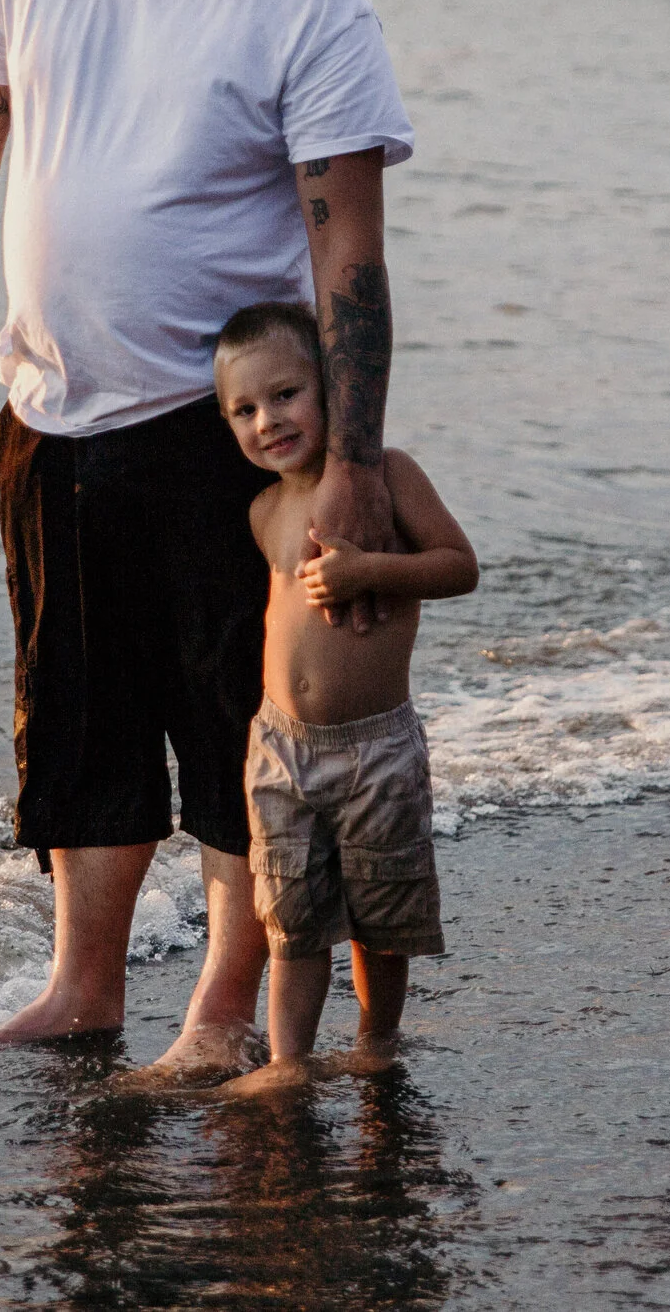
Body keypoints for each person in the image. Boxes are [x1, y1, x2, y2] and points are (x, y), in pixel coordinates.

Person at [0, 0, 416, 1074]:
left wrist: (352, 464)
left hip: (225, 428)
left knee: (237, 724)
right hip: (49, 407)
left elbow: (349, 253)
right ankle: (83, 989)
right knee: (79, 714)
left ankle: (218, 1013)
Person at [207, 302, 476, 1093]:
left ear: (333, 388)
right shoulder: (263, 510)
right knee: (291, 920)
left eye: (285, 394)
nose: (267, 420)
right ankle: (288, 1062)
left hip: (375, 749)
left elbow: (459, 565)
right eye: (244, 410)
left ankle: (376, 1040)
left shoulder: (388, 476)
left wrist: (370, 571)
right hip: (280, 751)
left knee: (380, 919)